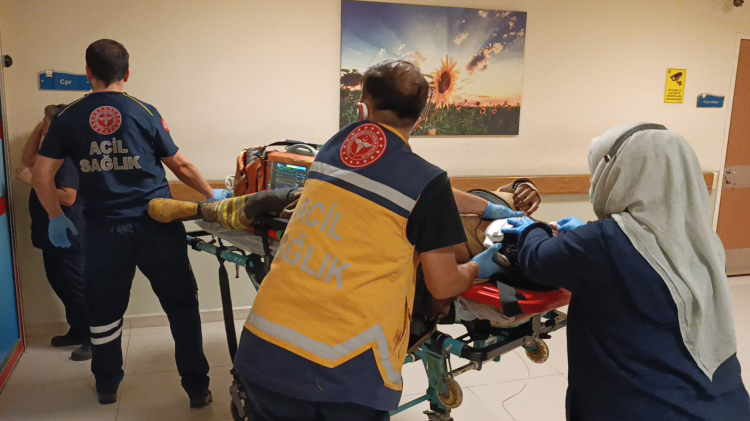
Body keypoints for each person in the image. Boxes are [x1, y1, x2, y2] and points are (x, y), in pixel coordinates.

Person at [232, 60, 520, 420]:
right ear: (421, 118)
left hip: (264, 347)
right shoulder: (426, 182)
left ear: (362, 109)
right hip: (343, 366)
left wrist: (485, 206)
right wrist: (481, 264)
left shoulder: (333, 150)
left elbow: (414, 187)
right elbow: (444, 284)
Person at [501, 123, 750, 420]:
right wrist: (582, 239)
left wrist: (531, 228)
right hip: (725, 405)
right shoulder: (707, 242)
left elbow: (535, 259)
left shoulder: (605, 241)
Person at [32, 39, 228, 407]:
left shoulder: (68, 117)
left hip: (103, 232)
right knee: (182, 307)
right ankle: (197, 389)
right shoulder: (145, 111)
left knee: (105, 312)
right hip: (156, 225)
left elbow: (42, 176)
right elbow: (181, 166)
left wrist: (55, 218)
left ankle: (107, 385)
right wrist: (211, 195)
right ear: (128, 72)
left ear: (88, 73)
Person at [16, 104, 90, 361]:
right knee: (62, 285)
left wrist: (31, 180)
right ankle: (78, 330)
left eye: (46, 125)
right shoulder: (52, 153)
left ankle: (94, 339)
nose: (43, 129)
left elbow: (68, 197)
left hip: (69, 234)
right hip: (51, 233)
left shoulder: (67, 156)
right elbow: (28, 159)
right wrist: (41, 127)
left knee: (77, 288)